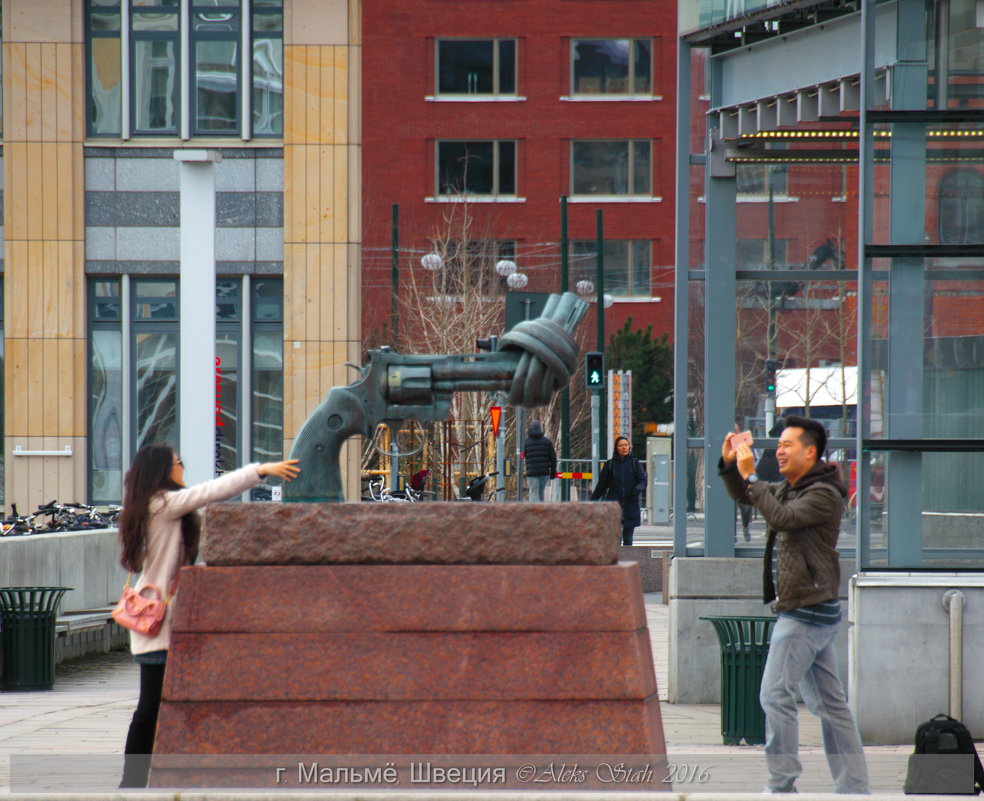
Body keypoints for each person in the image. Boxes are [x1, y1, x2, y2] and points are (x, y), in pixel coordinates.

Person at [117, 445, 300, 788]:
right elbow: (211, 491)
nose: (183, 466)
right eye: (177, 462)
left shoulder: (156, 505)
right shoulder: (162, 504)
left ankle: (158, 775)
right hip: (159, 625)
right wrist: (261, 470)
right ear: (161, 470)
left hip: (172, 621)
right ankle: (132, 782)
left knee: (167, 706)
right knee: (150, 707)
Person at [719, 415, 869, 795]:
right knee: (831, 706)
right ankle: (854, 787)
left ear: (811, 451)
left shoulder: (822, 495)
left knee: (773, 695)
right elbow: (746, 496)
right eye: (779, 444)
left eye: (788, 445)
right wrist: (732, 467)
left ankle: (781, 785)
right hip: (809, 608)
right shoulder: (795, 486)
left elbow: (781, 518)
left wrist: (752, 479)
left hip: (805, 611)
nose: (780, 451)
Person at [590, 436, 647, 545]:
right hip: (614, 504)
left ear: (629, 447)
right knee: (615, 538)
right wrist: (592, 501)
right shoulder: (610, 464)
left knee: (628, 539)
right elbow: (602, 485)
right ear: (616, 448)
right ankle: (616, 560)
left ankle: (627, 560)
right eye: (621, 445)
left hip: (631, 504)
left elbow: (642, 481)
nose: (624, 447)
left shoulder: (634, 463)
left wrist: (637, 489)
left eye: (626, 445)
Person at [522, 420, 557, 502]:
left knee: (533, 491)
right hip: (544, 472)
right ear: (540, 429)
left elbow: (522, 456)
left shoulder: (526, 442)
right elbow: (553, 459)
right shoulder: (547, 442)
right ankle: (541, 510)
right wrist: (553, 473)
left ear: (530, 429)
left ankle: (533, 510)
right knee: (541, 491)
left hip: (532, 472)